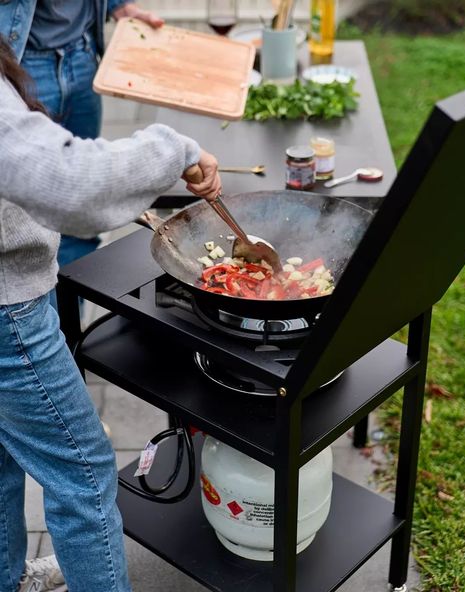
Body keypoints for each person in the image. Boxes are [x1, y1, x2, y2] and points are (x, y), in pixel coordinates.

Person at [0, 34, 221, 592]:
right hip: (6, 312)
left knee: (3, 451)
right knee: (82, 470)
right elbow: (70, 180)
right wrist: (176, 150)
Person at [0, 0, 164, 291]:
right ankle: (39, 325)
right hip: (22, 58)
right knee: (28, 229)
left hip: (83, 53)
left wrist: (117, 5)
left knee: (82, 222)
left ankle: (69, 327)